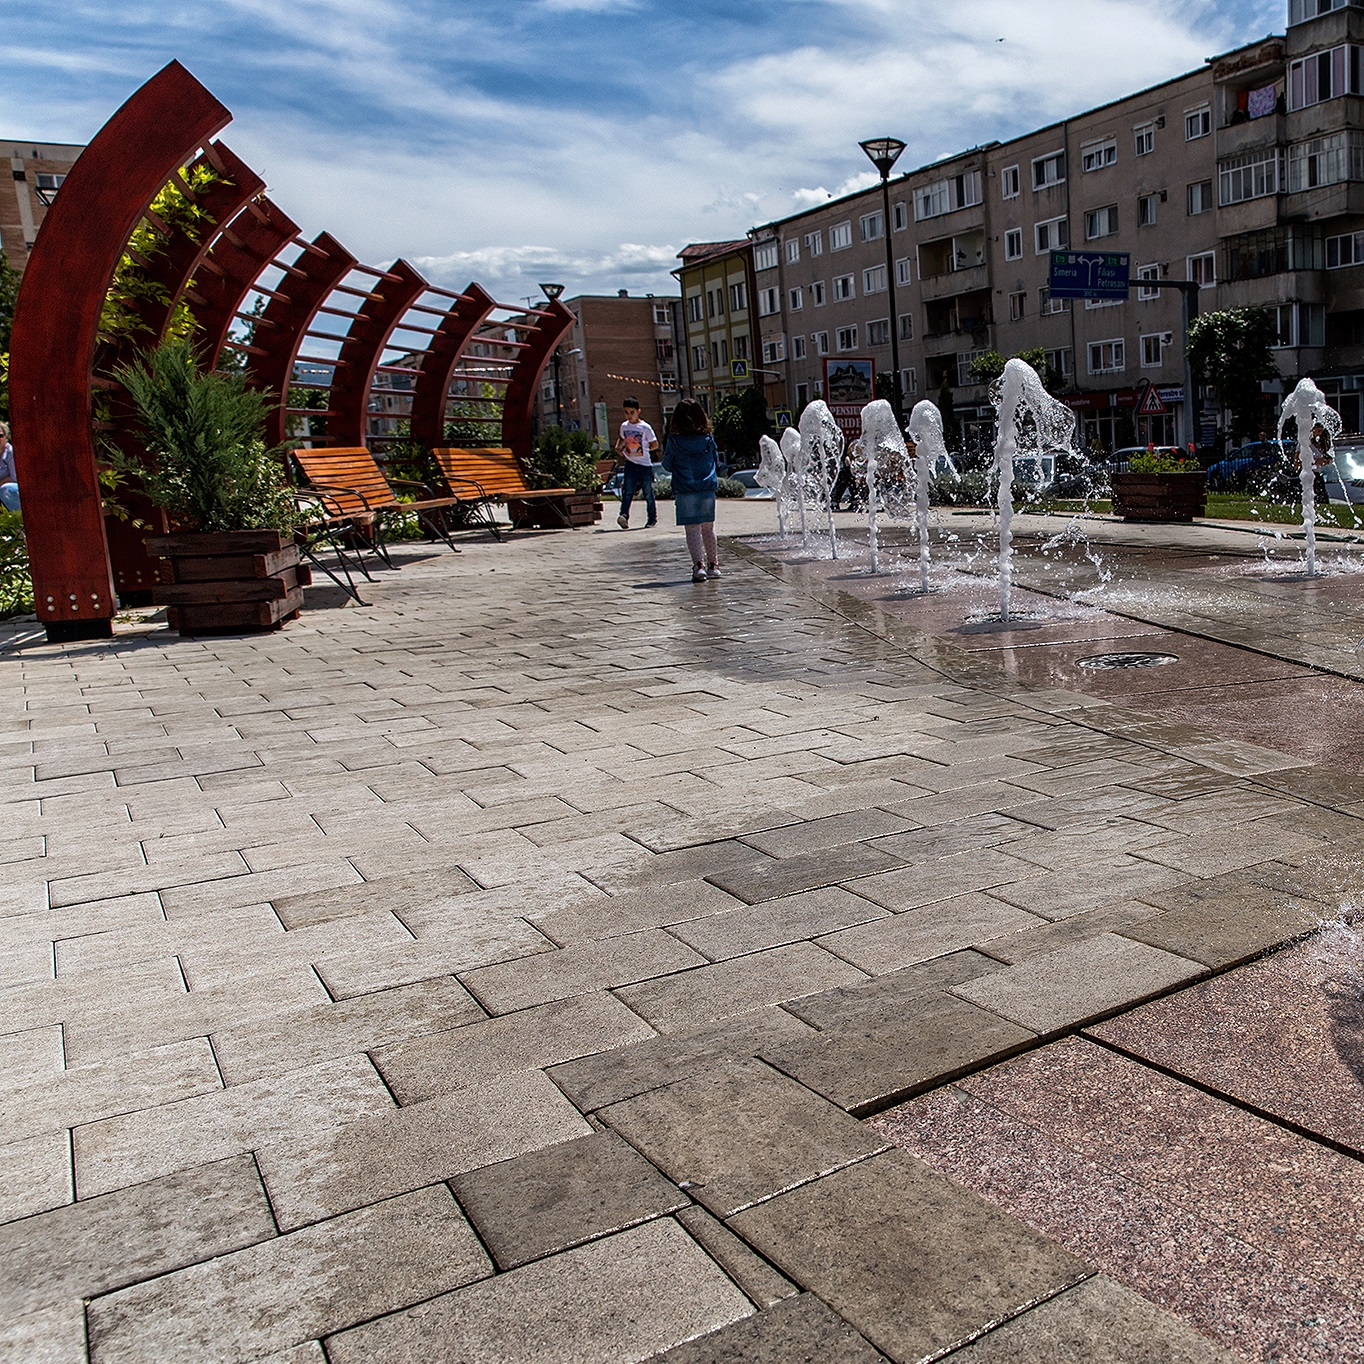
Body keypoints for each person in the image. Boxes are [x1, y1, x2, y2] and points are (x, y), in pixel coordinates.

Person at [661, 398, 720, 581]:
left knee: (692, 529)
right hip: (707, 488)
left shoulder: (674, 441)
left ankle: (699, 566)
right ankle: (713, 566)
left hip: (685, 489)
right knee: (708, 528)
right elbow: (716, 460)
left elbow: (667, 465)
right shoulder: (708, 439)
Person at [614, 397, 658, 529]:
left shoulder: (645, 427)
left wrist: (645, 449)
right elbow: (622, 438)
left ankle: (652, 518)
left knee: (648, 492)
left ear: (638, 411)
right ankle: (624, 515)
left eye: (632, 412)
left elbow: (655, 444)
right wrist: (618, 447)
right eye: (626, 412)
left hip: (644, 465)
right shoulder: (624, 426)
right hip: (630, 463)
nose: (629, 416)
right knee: (628, 491)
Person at [0, 423, 18, 513]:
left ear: (6, 437)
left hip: (12, 491)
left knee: (6, 489)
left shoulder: (11, 452)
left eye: (0, 436)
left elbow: (14, 478)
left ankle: (18, 517)